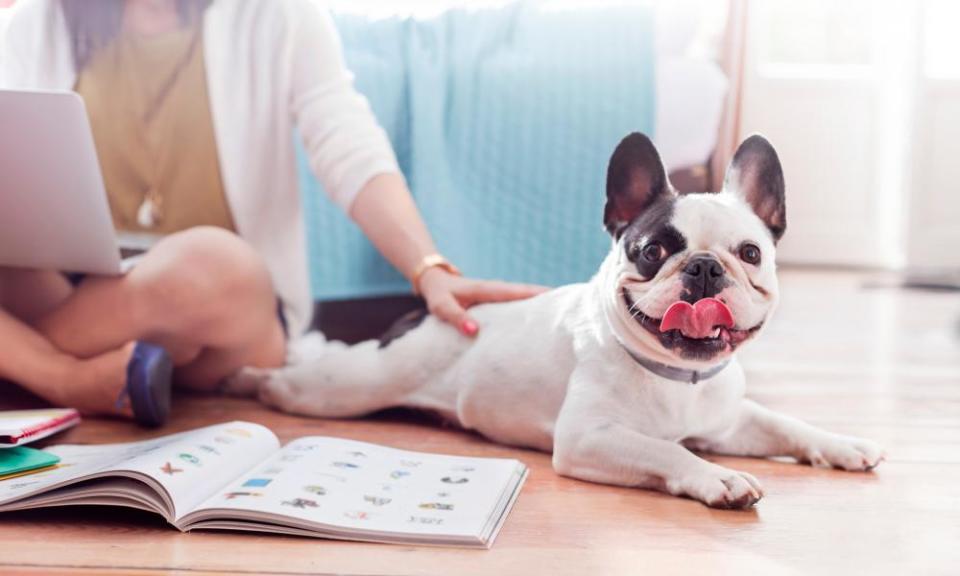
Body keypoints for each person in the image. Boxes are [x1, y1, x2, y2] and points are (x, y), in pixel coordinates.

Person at [0, 0, 543, 425]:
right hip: (68, 289)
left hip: (215, 315)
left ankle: (27, 366)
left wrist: (428, 268)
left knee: (208, 263)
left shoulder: (278, 14)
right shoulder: (32, 23)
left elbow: (347, 143)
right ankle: (72, 380)